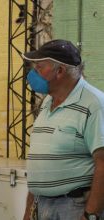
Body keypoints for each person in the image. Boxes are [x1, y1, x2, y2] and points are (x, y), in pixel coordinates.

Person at [22, 39, 104, 220]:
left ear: (59, 71)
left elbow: (103, 163)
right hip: (42, 204)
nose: (33, 74)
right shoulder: (47, 103)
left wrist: (91, 215)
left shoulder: (94, 104)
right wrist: (29, 211)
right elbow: (40, 162)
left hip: (74, 207)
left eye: (39, 68)